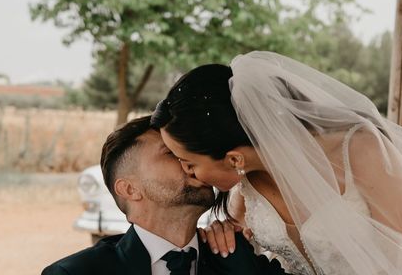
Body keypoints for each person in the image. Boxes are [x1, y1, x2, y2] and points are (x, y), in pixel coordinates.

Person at [151, 51, 402, 275]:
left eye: (189, 163)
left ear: (234, 157)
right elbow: (241, 258)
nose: (186, 172)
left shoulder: (359, 151)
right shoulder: (244, 195)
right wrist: (221, 236)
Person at [42, 115, 288, 275]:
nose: (190, 163)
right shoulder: (74, 273)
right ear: (130, 189)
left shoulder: (239, 261)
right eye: (171, 153)